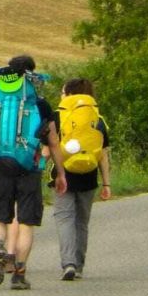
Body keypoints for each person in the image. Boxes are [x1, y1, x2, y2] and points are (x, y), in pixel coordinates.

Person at [0, 54, 66, 291]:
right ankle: (19, 274)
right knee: (25, 223)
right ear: (32, 75)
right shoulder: (40, 104)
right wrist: (60, 173)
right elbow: (53, 142)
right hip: (29, 169)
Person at [51, 78, 112, 281]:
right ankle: (78, 265)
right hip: (89, 176)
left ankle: (68, 263)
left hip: (62, 176)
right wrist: (106, 183)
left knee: (64, 219)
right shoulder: (98, 119)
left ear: (69, 95)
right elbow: (103, 154)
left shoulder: (58, 117)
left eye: (63, 93)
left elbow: (47, 148)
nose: (61, 96)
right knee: (82, 222)